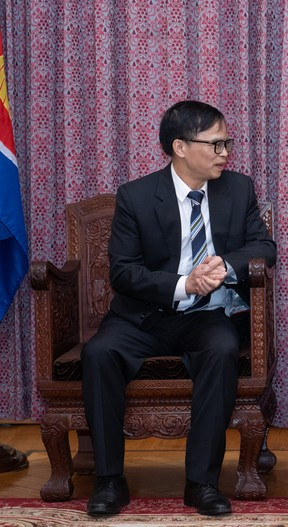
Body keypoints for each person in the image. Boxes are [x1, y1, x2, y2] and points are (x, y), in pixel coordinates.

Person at [81, 100, 276, 517]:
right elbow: (123, 272)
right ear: (180, 147)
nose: (225, 153)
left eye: (227, 143)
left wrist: (223, 266)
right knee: (99, 354)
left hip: (207, 316)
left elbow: (263, 246)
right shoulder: (136, 196)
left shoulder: (238, 189)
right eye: (216, 144)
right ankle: (110, 480)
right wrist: (183, 283)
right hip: (144, 315)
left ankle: (201, 483)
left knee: (222, 351)